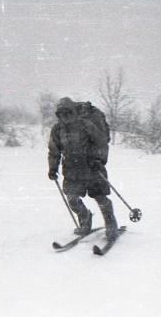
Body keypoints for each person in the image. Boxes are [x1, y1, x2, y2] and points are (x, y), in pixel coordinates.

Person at [48, 97, 118, 240]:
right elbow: (54, 151)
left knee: (100, 198)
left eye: (67, 113)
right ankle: (85, 221)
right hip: (71, 170)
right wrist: (53, 168)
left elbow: (101, 143)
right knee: (72, 199)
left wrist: (99, 160)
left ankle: (111, 226)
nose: (65, 117)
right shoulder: (57, 130)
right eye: (61, 114)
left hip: (92, 168)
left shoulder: (86, 125)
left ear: (73, 112)